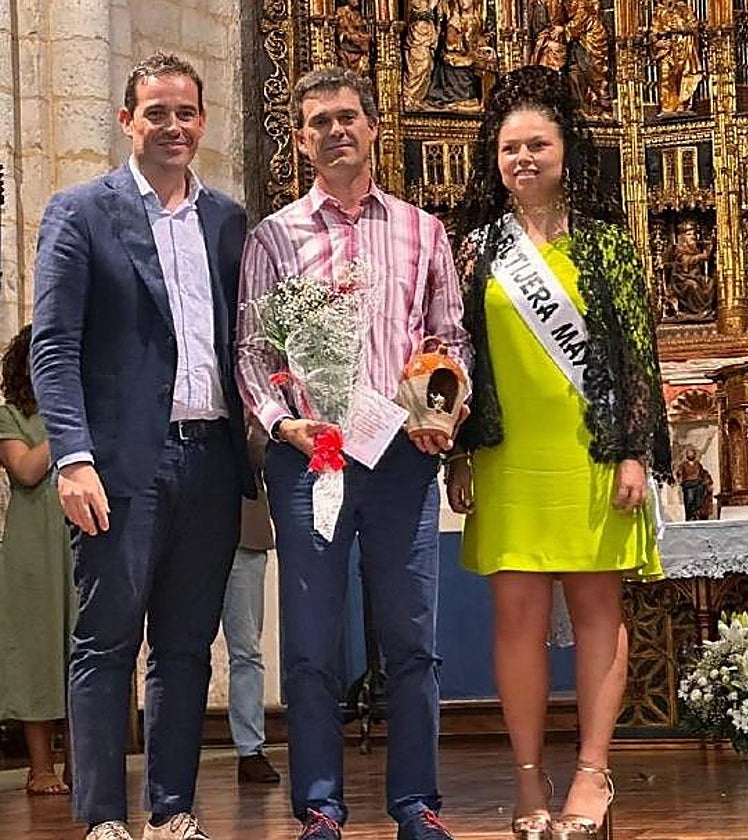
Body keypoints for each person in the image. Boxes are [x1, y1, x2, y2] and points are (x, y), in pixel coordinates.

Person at [237, 66, 471, 840]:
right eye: (320, 122)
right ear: (301, 139)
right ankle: (321, 808)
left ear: (373, 127)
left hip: (401, 458)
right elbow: (252, 349)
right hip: (313, 458)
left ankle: (415, 805)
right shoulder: (274, 236)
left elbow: (450, 339)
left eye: (349, 117)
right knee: (309, 644)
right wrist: (281, 422)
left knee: (412, 641)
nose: (337, 130)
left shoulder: (420, 230)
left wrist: (440, 411)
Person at [30, 52, 253, 840]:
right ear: (127, 120)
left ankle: (172, 810)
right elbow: (52, 348)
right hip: (123, 462)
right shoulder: (80, 211)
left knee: (188, 648)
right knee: (106, 642)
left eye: (186, 112)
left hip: (212, 459)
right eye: (156, 112)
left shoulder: (228, 221)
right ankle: (101, 819)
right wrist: (73, 456)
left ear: (203, 119)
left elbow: (249, 341)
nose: (173, 126)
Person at [446, 66, 669, 840]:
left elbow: (636, 359)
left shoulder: (608, 247)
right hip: (510, 456)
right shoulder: (475, 250)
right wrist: (459, 451)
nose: (523, 158)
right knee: (515, 617)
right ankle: (527, 776)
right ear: (494, 157)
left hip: (594, 455)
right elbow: (459, 357)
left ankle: (593, 771)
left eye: (538, 143)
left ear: (567, 149)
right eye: (510, 147)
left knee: (599, 611)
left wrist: (635, 453)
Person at [0, 324, 76, 796]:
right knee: (37, 651)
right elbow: (25, 470)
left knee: (81, 646)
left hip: (78, 537)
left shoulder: (83, 409)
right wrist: (65, 424)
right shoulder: (10, 417)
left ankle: (81, 765)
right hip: (32, 549)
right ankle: (40, 767)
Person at [220, 419, 281, 786]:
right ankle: (175, 750)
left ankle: (250, 749)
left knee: (246, 650)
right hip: (189, 525)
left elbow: (262, 459)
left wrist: (259, 426)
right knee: (180, 649)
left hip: (246, 527)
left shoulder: (255, 389)